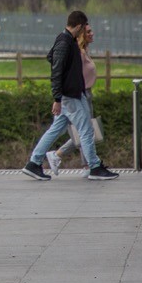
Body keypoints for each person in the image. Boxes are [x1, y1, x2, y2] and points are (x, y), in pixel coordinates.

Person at [22, 10, 118, 181]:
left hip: (73, 94)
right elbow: (56, 71)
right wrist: (57, 99)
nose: (85, 32)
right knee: (86, 130)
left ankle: (34, 162)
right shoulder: (64, 42)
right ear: (79, 26)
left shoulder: (69, 41)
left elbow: (52, 59)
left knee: (55, 130)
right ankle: (94, 167)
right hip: (69, 96)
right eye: (84, 29)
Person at [45, 23, 97, 175]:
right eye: (88, 31)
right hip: (77, 94)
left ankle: (85, 163)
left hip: (85, 92)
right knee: (86, 130)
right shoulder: (77, 53)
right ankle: (86, 164)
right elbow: (56, 64)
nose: (92, 33)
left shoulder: (85, 51)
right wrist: (59, 96)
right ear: (81, 34)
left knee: (84, 130)